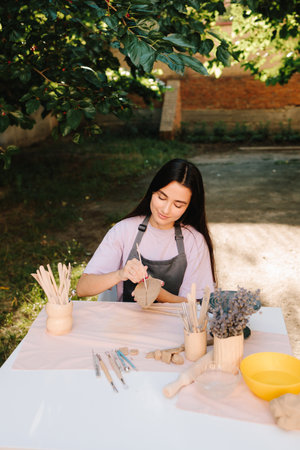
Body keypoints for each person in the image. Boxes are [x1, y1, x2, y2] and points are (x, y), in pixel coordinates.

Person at [76, 158, 215, 303]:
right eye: (162, 197)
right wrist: (120, 274)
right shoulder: (124, 230)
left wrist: (158, 293)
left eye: (178, 205)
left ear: (188, 206)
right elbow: (82, 288)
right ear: (152, 192)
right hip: (123, 323)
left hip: (174, 324)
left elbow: (198, 305)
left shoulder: (194, 241)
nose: (165, 210)